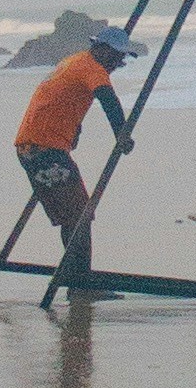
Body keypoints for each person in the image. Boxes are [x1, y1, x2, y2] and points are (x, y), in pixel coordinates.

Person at [11, 25, 135, 291]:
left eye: (120, 59)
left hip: (38, 146)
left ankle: (78, 278)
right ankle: (80, 283)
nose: (117, 63)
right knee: (79, 217)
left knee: (75, 217)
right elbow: (109, 100)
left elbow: (63, 98)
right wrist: (122, 136)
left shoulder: (74, 62)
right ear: (101, 49)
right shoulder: (91, 68)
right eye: (115, 57)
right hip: (44, 149)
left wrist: (74, 127)